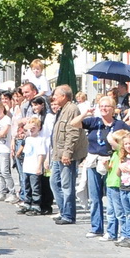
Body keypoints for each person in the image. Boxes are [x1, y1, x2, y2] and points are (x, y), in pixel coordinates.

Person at [79, 95, 129, 239]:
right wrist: (85, 113)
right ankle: (96, 227)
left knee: (113, 197)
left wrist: (119, 150)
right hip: (94, 161)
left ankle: (114, 230)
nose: (104, 108)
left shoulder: (119, 125)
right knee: (95, 197)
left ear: (113, 109)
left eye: (107, 106)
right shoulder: (94, 121)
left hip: (111, 162)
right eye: (101, 106)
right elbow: (73, 124)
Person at [49, 85, 83, 225]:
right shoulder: (62, 109)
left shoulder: (72, 109)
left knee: (67, 185)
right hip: (57, 153)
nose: (53, 97)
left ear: (64, 96)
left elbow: (73, 133)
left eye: (56, 95)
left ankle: (68, 215)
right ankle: (63, 210)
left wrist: (67, 153)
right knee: (54, 182)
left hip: (66, 154)